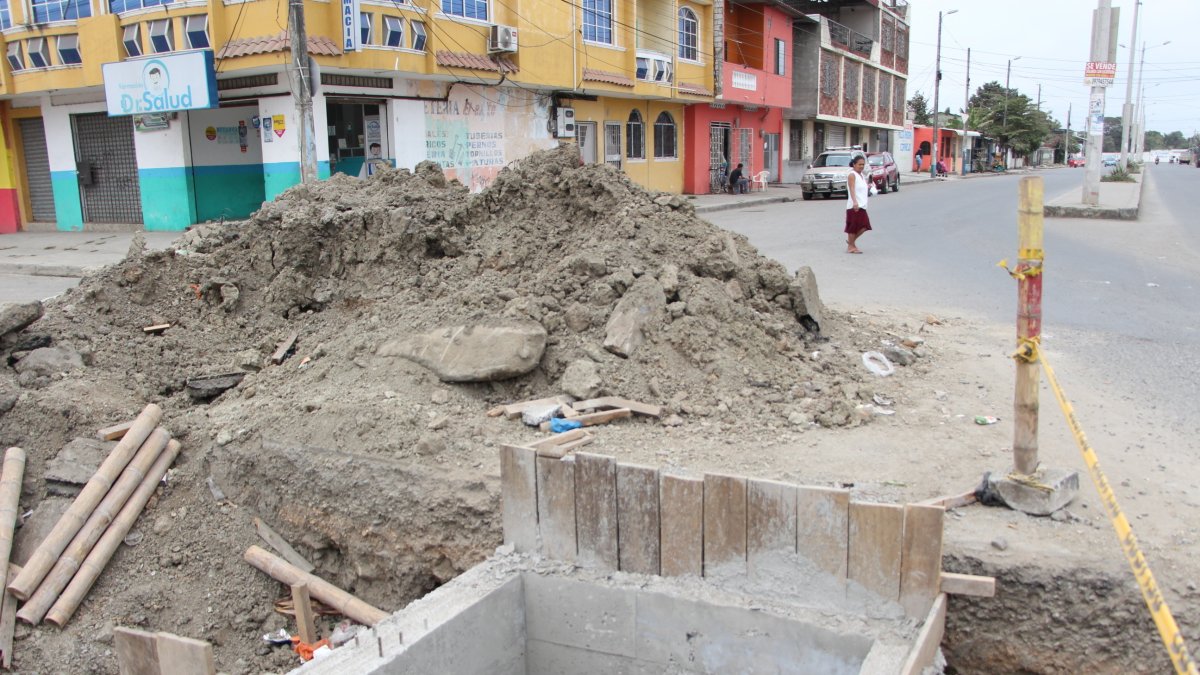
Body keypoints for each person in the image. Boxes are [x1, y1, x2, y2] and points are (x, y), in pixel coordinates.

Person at [845, 154, 875, 254]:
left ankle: (851, 243)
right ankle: (851, 246)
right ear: (854, 164)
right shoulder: (852, 175)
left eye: (863, 164)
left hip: (862, 205)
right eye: (859, 164)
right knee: (854, 227)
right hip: (855, 206)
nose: (861, 166)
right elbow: (852, 189)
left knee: (864, 226)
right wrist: (855, 202)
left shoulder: (861, 175)